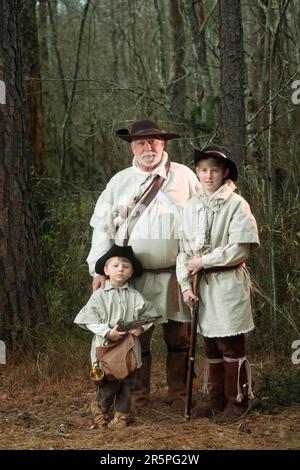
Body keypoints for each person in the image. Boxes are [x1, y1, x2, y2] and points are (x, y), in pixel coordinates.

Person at [86, 119, 200, 411]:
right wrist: (98, 270)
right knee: (136, 340)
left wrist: (201, 261)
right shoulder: (119, 181)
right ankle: (138, 398)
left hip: (176, 275)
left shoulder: (185, 176)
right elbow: (102, 229)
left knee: (180, 340)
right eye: (141, 142)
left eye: (154, 141)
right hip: (133, 279)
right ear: (132, 147)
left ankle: (179, 396)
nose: (148, 147)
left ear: (163, 143)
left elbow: (204, 218)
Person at [176, 147, 260, 423]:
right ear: (197, 173)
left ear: (225, 173)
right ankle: (216, 402)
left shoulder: (237, 204)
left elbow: (240, 249)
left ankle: (238, 404)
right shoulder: (191, 206)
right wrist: (185, 286)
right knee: (210, 347)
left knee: (229, 345)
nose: (208, 175)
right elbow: (183, 252)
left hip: (227, 284)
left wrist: (204, 261)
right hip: (201, 286)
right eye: (203, 170)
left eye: (214, 170)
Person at [74, 244, 159, 429]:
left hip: (129, 347)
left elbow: (150, 316)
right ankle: (100, 410)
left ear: (131, 272)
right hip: (106, 347)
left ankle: (121, 417)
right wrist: (107, 332)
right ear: (106, 270)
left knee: (128, 381)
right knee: (109, 382)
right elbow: (87, 319)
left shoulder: (135, 296)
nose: (120, 269)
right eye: (115, 265)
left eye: (125, 266)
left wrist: (141, 327)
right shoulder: (99, 296)